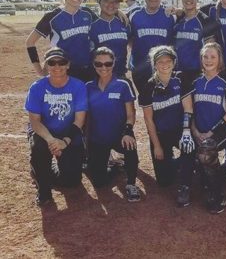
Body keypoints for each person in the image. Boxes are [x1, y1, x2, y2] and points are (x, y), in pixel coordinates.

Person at [25, 47, 87, 206]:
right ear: (46, 65)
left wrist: (65, 141)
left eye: (61, 62)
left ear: (68, 65)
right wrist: (51, 141)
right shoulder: (37, 87)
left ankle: (43, 171)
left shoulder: (78, 86)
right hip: (44, 132)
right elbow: (35, 121)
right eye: (52, 62)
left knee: (72, 181)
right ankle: (44, 190)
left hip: (68, 133)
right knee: (39, 148)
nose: (57, 66)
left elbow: (79, 120)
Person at [189, 42, 226, 214]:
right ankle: (216, 172)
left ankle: (218, 193)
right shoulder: (195, 81)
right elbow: (191, 112)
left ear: (219, 59)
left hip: (223, 129)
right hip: (199, 130)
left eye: (213, 57)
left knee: (207, 150)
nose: (209, 60)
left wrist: (210, 133)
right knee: (197, 153)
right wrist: (195, 132)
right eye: (205, 56)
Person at [85, 47, 140, 202]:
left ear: (114, 63)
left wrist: (128, 131)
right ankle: (115, 166)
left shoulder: (123, 84)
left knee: (130, 145)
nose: (104, 68)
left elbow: (131, 113)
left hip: (119, 135)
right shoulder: (88, 87)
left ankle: (130, 184)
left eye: (108, 64)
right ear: (94, 65)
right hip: (98, 139)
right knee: (99, 182)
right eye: (99, 64)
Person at [139, 46, 194, 189]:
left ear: (174, 62)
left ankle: (187, 163)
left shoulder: (180, 78)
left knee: (191, 153)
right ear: (154, 64)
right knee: (164, 181)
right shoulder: (149, 87)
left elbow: (188, 108)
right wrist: (157, 146)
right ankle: (174, 163)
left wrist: (187, 132)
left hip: (180, 130)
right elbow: (148, 120)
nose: (164, 64)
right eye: (160, 62)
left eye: (168, 61)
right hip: (161, 134)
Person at [26, 0, 98, 82]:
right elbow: (30, 42)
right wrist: (39, 70)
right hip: (63, 71)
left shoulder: (88, 13)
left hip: (88, 69)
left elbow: (104, 24)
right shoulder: (52, 16)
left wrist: (118, 12)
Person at [129, 0, 176, 96]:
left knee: (163, 103)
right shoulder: (134, 14)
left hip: (164, 70)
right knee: (146, 103)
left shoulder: (170, 16)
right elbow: (129, 36)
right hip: (140, 69)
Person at [173, 0, 221, 80]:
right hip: (177, 72)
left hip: (198, 74)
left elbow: (211, 50)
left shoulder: (205, 20)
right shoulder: (177, 19)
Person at [89, 0, 131, 78]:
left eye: (115, 2)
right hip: (99, 78)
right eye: (107, 1)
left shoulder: (125, 23)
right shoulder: (91, 26)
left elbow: (132, 43)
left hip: (120, 76)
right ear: (99, 2)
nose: (111, 5)